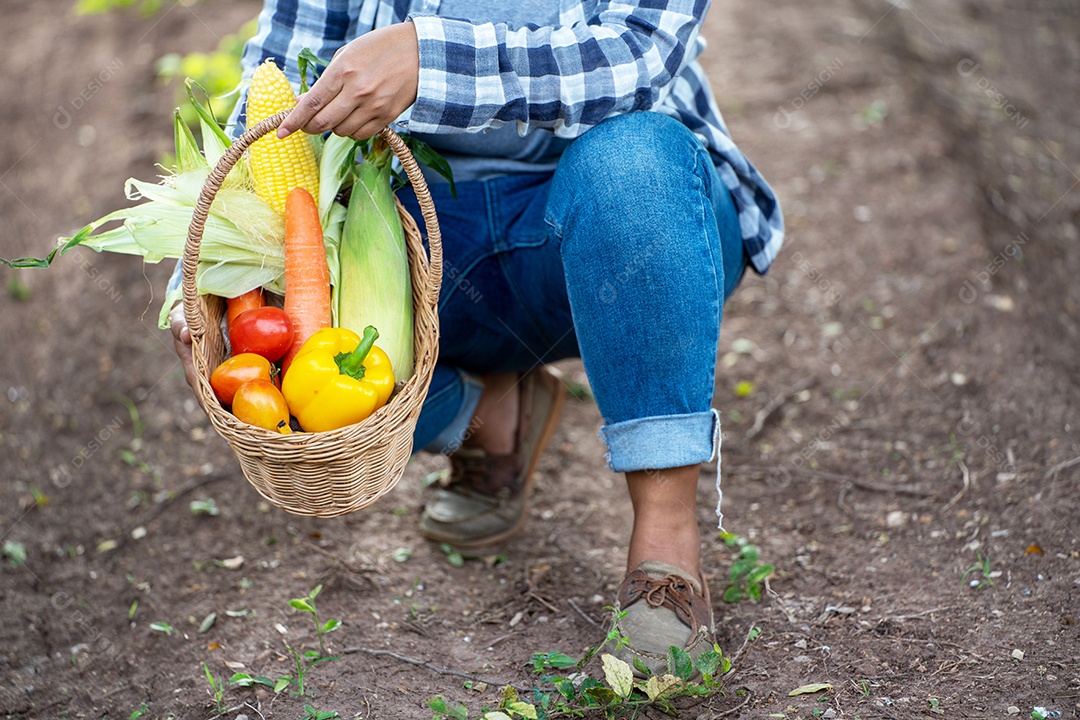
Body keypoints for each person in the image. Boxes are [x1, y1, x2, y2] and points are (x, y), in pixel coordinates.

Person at [169, 0, 783, 675]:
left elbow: (634, 60)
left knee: (633, 162)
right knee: (278, 301)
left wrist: (429, 59)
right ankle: (488, 418)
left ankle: (666, 557)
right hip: (427, 238)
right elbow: (278, 77)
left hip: (622, 227)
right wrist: (200, 274)